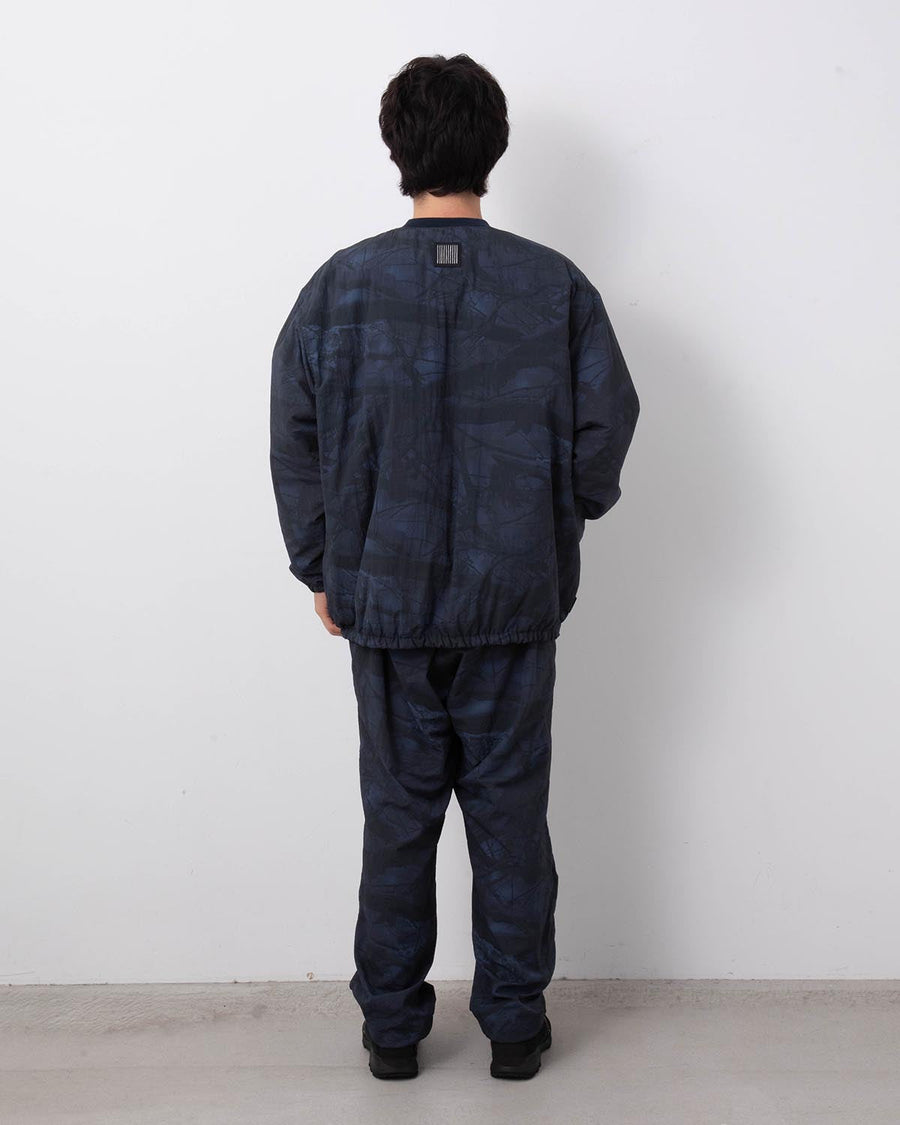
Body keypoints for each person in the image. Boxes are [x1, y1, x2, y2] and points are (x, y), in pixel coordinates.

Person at [269, 53, 640, 1081]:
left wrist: (322, 565)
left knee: (398, 819)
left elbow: (295, 434)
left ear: (397, 147)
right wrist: (552, 520)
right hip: (512, 599)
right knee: (510, 816)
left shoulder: (341, 288)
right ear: (494, 147)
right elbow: (608, 425)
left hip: (384, 602)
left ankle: (393, 1033)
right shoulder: (554, 286)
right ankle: (513, 1029)